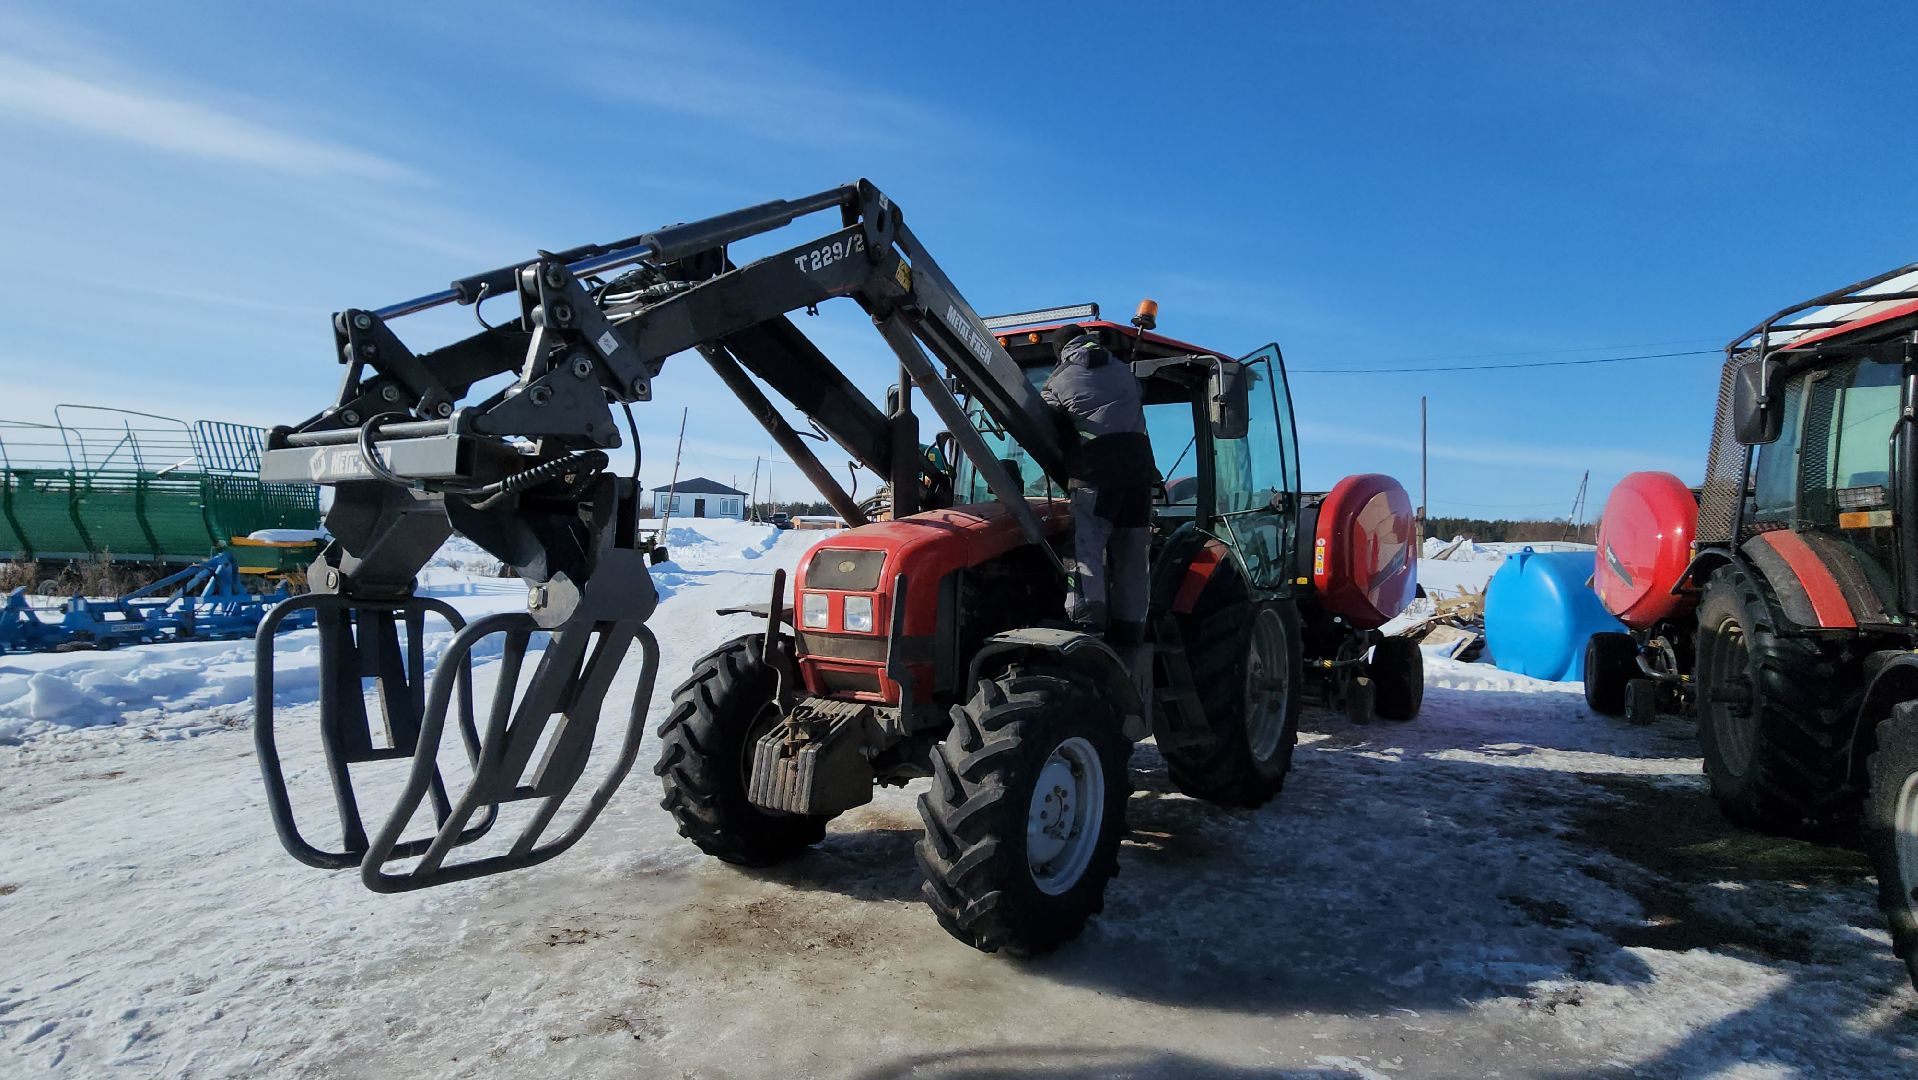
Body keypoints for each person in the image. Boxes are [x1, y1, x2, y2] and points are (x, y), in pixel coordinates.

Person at [1042, 324, 1157, 649]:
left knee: (1085, 551)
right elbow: (1135, 397)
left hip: (1096, 474)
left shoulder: (1058, 380)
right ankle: (1130, 630)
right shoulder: (1123, 370)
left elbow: (1048, 422)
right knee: (1133, 554)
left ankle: (1085, 625)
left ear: (1061, 351)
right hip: (1138, 476)